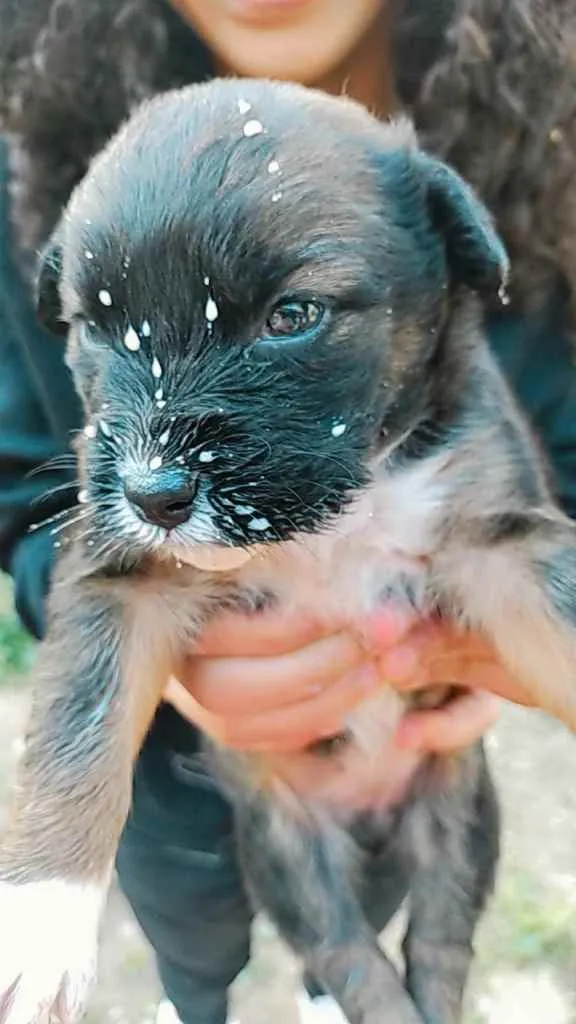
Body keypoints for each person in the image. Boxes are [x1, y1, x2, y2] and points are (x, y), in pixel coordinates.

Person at [0, 1, 575, 1022]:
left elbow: (526, 552)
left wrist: (479, 660)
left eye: (292, 315)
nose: (157, 469)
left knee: (402, 902)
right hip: (180, 784)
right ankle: (194, 998)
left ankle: (332, 994)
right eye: (102, 326)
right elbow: (63, 537)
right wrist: (50, 874)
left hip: (408, 751)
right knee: (189, 921)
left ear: (451, 263)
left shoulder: (532, 167)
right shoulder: (41, 178)